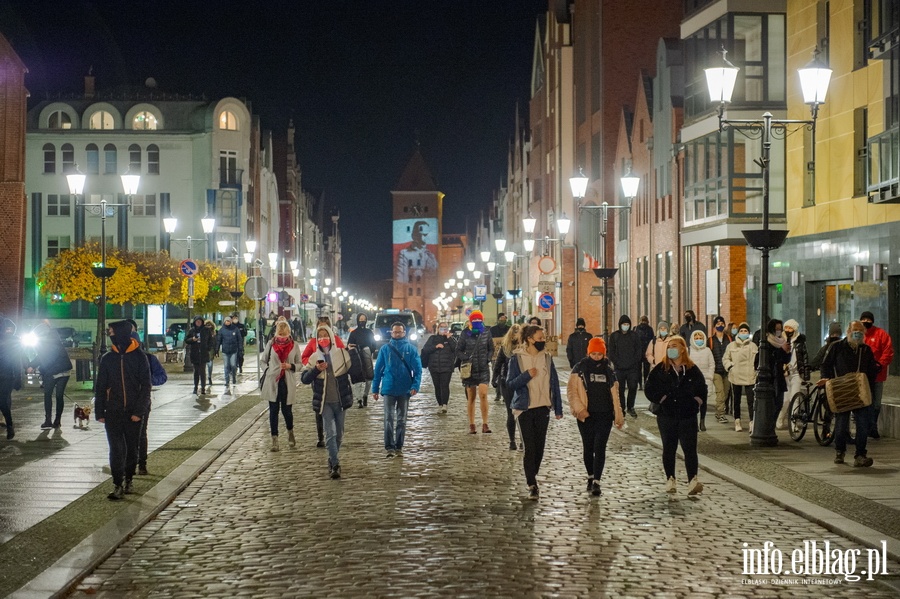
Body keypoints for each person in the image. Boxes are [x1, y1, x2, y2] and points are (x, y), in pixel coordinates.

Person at [95, 320, 151, 500]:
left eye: (111, 331)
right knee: (116, 449)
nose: (109, 334)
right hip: (113, 411)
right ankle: (117, 483)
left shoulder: (139, 356)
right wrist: (99, 411)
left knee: (131, 448)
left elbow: (146, 386)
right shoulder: (108, 358)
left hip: (133, 413)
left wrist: (139, 411)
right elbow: (101, 386)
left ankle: (129, 478)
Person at [644, 335, 707, 496]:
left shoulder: (692, 369)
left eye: (674, 346)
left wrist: (696, 401)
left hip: (687, 414)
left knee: (689, 448)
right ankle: (670, 479)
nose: (671, 349)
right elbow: (649, 388)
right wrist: (662, 398)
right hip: (667, 415)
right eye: (669, 346)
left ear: (682, 348)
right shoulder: (661, 369)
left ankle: (693, 480)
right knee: (669, 448)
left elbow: (702, 388)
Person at [507, 324, 563, 500]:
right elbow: (510, 384)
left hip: (543, 407)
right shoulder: (517, 358)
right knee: (530, 447)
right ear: (530, 339)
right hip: (525, 409)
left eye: (543, 338)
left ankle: (533, 472)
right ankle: (532, 483)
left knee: (539, 448)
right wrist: (526, 375)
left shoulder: (546, 357)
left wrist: (558, 408)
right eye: (540, 338)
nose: (543, 341)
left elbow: (554, 383)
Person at [567, 337, 624, 496]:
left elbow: (615, 395)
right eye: (594, 353)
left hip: (605, 415)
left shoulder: (609, 370)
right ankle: (590, 476)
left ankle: (597, 481)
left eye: (600, 354)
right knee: (588, 447)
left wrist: (618, 416)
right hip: (587, 415)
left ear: (604, 354)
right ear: (589, 352)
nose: (597, 356)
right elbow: (572, 392)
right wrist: (580, 410)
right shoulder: (580, 369)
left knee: (600, 447)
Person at [820, 321, 879, 467]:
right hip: (842, 390)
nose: (857, 333)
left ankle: (860, 454)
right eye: (855, 330)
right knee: (841, 424)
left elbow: (871, 371)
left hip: (860, 392)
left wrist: (873, 377)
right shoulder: (837, 347)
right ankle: (840, 451)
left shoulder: (865, 350)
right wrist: (827, 380)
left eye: (860, 330)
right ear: (848, 331)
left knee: (862, 424)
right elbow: (826, 365)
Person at [301, 324, 353, 478]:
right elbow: (304, 379)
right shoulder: (314, 357)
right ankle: (335, 464)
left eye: (325, 335)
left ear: (331, 337)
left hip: (340, 400)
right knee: (329, 433)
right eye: (320, 336)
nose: (323, 339)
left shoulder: (341, 354)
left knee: (339, 434)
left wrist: (353, 353)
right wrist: (316, 369)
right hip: (325, 402)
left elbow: (354, 370)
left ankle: (332, 457)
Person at [372, 322, 422, 457]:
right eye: (395, 332)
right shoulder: (385, 349)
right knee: (388, 418)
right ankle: (389, 447)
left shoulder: (411, 349)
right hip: (388, 388)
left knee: (402, 420)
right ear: (391, 333)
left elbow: (418, 370)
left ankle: (399, 446)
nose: (397, 334)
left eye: (399, 332)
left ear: (404, 333)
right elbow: (378, 371)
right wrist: (375, 388)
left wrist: (415, 386)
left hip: (404, 389)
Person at [301, 316, 346, 446]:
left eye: (325, 326)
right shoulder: (313, 342)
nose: (323, 330)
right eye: (320, 326)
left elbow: (343, 356)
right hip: (318, 377)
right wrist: (312, 366)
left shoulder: (336, 340)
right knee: (319, 405)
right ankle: (321, 435)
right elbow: (305, 357)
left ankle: (335, 434)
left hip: (334, 379)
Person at [260, 320, 303, 452]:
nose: (281, 338)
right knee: (273, 411)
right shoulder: (271, 344)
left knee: (287, 411)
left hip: (287, 381)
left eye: (284, 335)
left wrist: (291, 366)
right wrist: (268, 370)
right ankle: (275, 439)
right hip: (273, 380)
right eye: (280, 335)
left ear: (289, 333)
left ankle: (290, 431)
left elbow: (300, 364)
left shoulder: (294, 345)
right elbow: (263, 360)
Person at [27, 321, 73, 430]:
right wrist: (32, 365)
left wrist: (36, 367)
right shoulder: (47, 340)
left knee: (55, 395)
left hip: (60, 371)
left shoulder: (51, 341)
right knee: (51, 394)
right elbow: (41, 356)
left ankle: (55, 420)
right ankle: (50, 420)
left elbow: (48, 358)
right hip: (56, 371)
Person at [457, 310, 494, 434]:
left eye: (479, 320)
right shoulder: (465, 333)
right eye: (475, 320)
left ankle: (485, 424)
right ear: (471, 321)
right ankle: (472, 424)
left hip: (483, 368)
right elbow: (458, 350)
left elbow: (491, 348)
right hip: (470, 370)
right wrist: (466, 358)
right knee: (471, 397)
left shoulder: (486, 332)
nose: (477, 322)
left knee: (483, 394)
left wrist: (487, 359)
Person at [860, 311, 894, 439]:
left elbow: (888, 351)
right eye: (863, 319)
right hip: (862, 376)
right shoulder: (859, 334)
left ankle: (872, 426)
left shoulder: (881, 334)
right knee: (864, 402)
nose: (866, 322)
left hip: (877, 375)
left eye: (868, 319)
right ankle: (868, 427)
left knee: (876, 403)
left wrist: (880, 365)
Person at [722, 322, 758, 432]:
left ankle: (752, 421)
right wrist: (730, 367)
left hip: (749, 375)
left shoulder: (753, 346)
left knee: (751, 400)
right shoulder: (731, 345)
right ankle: (737, 420)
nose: (743, 333)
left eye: (745, 331)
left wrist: (755, 371)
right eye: (741, 331)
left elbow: (757, 360)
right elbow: (725, 359)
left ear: (748, 333)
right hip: (736, 375)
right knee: (736, 400)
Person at [492, 323, 523, 450]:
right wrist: (495, 378)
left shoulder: (525, 347)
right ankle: (512, 441)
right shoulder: (505, 348)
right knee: (511, 413)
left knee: (521, 413)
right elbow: (498, 364)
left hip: (521, 382)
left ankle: (521, 440)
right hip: (507, 383)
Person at [607, 314, 643, 418]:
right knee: (620, 389)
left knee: (633, 387)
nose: (625, 326)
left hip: (632, 368)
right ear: (620, 325)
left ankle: (630, 406)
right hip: (619, 368)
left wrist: (635, 361)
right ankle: (621, 408)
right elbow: (611, 352)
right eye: (624, 324)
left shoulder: (634, 336)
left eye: (627, 324)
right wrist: (617, 362)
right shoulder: (615, 336)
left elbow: (638, 350)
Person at [777, 319, 810, 429]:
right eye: (786, 328)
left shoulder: (800, 342)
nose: (787, 330)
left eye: (790, 328)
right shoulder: (780, 340)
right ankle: (780, 419)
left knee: (795, 399)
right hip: (784, 373)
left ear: (795, 329)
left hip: (796, 373)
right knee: (785, 399)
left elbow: (805, 358)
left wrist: (806, 376)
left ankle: (793, 423)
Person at [421, 321, 457, 413]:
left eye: (445, 327)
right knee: (437, 386)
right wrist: (435, 346)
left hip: (447, 367)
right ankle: (440, 404)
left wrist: (449, 339)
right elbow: (425, 350)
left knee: (444, 386)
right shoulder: (432, 338)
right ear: (438, 329)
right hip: (434, 366)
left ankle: (445, 404)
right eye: (441, 327)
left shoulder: (451, 339)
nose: (443, 329)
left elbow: (456, 349)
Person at [761, 319, 791, 422]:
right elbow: (768, 359)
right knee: (771, 405)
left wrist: (787, 352)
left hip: (779, 378)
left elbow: (785, 361)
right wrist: (781, 350)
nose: (779, 331)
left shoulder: (782, 341)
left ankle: (771, 426)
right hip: (769, 379)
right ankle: (769, 426)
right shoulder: (767, 342)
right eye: (776, 329)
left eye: (780, 329)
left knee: (779, 403)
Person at [0, 318, 23, 439]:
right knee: (3, 401)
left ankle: (9, 425)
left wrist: (18, 378)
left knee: (3, 401)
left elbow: (16, 361)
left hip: (7, 375)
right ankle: (9, 425)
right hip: (7, 374)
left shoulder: (13, 342)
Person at [347, 313, 376, 408]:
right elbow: (349, 345)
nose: (362, 321)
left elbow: (374, 344)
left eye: (364, 319)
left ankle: (365, 395)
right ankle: (358, 399)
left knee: (369, 377)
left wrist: (369, 350)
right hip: (356, 358)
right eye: (360, 319)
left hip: (367, 356)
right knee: (357, 379)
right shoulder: (354, 333)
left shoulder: (369, 332)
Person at [708, 315, 732, 425]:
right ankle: (721, 414)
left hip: (727, 371)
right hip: (716, 370)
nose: (720, 326)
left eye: (722, 324)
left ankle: (718, 412)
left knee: (726, 393)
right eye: (718, 324)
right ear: (714, 327)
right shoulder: (711, 341)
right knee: (720, 393)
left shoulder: (729, 339)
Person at [689, 329, 714, 431]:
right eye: (696, 338)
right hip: (693, 381)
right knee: (693, 402)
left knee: (703, 402)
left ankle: (702, 422)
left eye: (700, 338)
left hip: (705, 379)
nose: (698, 340)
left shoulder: (707, 350)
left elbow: (712, 364)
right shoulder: (689, 350)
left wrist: (709, 375)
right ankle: (694, 422)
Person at [184, 316, 214, 395]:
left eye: (200, 321)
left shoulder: (206, 330)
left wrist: (208, 348)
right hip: (195, 353)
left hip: (203, 354)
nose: (198, 323)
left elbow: (211, 340)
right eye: (197, 321)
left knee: (202, 371)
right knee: (196, 372)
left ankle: (203, 387)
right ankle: (195, 387)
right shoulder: (192, 330)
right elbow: (186, 340)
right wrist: (192, 339)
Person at [216, 315, 244, 394]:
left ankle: (234, 377)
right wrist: (216, 350)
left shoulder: (235, 329)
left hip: (233, 350)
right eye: (226, 321)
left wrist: (240, 348)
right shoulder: (222, 330)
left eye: (229, 321)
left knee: (233, 365)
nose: (227, 322)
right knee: (226, 366)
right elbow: (219, 340)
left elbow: (239, 339)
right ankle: (227, 380)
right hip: (225, 351)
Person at [490, 313, 510, 401]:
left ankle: (505, 394)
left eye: (504, 319)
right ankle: (498, 394)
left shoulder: (508, 329)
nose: (503, 320)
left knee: (505, 374)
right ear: (498, 319)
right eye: (501, 319)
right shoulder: (492, 329)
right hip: (495, 355)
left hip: (506, 354)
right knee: (497, 373)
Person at [635, 316, 655, 389]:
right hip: (641, 351)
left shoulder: (638, 329)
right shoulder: (638, 329)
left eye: (644, 321)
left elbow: (652, 340)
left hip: (645, 351)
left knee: (644, 369)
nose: (643, 322)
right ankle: (641, 383)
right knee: (639, 369)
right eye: (642, 321)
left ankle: (643, 383)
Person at [204, 319, 217, 388]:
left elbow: (215, 342)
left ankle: (209, 376)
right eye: (207, 325)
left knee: (210, 364)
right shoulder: (203, 332)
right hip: (204, 350)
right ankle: (204, 377)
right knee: (203, 365)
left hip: (211, 349)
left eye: (210, 325)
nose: (208, 326)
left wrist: (216, 351)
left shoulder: (214, 333)